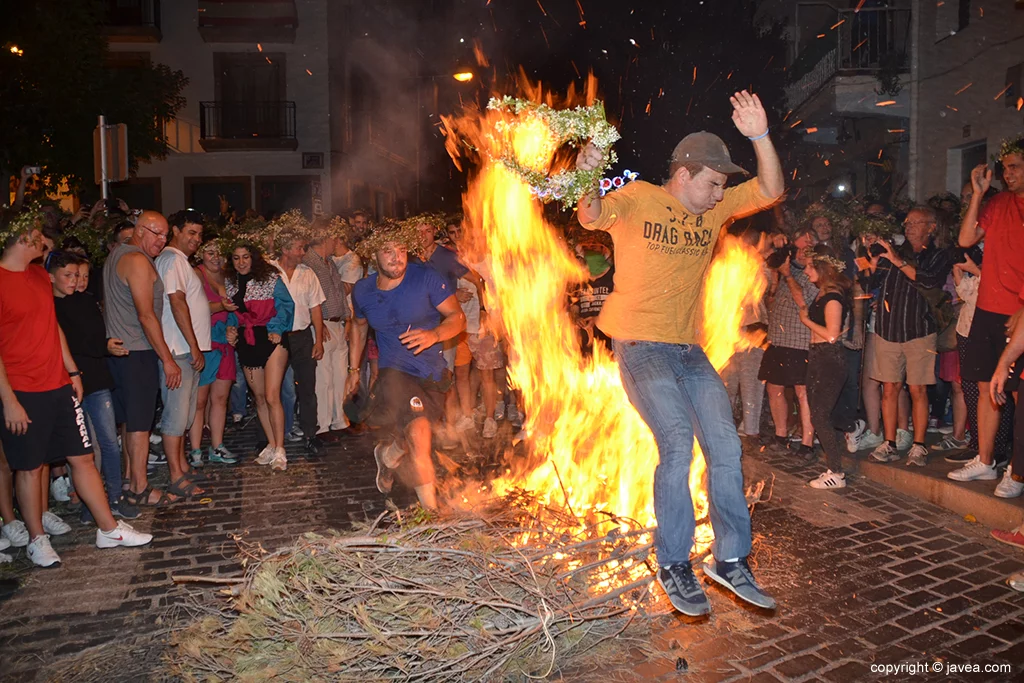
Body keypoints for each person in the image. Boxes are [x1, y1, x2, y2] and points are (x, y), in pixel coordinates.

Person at [575, 90, 783, 615]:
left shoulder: (715, 213)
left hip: (688, 351)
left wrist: (759, 136)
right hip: (640, 347)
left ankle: (732, 561)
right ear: (685, 174)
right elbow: (591, 213)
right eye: (713, 183)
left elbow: (772, 189)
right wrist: (586, 173)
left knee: (726, 444)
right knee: (676, 441)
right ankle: (673, 562)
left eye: (723, 188)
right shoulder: (640, 197)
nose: (719, 196)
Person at [0, 208, 152, 567]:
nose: (42, 238)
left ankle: (108, 528)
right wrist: (8, 401)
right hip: (22, 390)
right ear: (23, 238)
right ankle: (36, 539)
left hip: (58, 384)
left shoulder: (39, 277)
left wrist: (72, 371)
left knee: (83, 456)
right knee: (31, 467)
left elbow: (53, 329)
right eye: (36, 233)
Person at [346, 222, 467, 510]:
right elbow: (359, 328)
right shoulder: (363, 291)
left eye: (401, 250)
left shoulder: (426, 278)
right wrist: (353, 371)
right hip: (394, 373)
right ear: (372, 254)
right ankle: (431, 514)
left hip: (432, 374)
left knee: (411, 433)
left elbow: (457, 318)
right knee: (420, 436)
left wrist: (434, 334)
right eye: (387, 251)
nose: (396, 257)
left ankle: (388, 456)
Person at [49, 251, 140, 520]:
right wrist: (101, 346)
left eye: (79, 275)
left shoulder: (86, 302)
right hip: (68, 382)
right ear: (51, 277)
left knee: (109, 441)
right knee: (83, 448)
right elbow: (71, 343)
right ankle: (91, 501)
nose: (76, 280)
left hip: (97, 379)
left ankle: (114, 496)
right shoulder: (48, 306)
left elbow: (94, 336)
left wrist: (104, 345)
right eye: (70, 275)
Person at [953, 142, 1024, 481]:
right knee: (985, 387)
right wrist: (979, 195)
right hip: (987, 310)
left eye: (1016, 167)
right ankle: (985, 461)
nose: (1009, 174)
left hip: (1019, 315)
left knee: (1016, 390)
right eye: (1006, 168)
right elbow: (966, 239)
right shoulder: (997, 203)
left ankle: (1016, 469)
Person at [104, 211, 182, 508]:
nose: (162, 241)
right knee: (139, 424)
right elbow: (146, 315)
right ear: (139, 230)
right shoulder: (136, 260)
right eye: (156, 233)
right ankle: (139, 488)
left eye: (165, 235)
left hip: (123, 353)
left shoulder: (117, 254)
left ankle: (129, 478)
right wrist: (167, 359)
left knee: (129, 422)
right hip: (137, 353)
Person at [867, 206, 953, 466]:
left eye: (916, 223)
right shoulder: (895, 252)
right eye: (907, 223)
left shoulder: (938, 255)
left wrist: (897, 262)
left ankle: (918, 445)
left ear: (931, 227)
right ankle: (889, 442)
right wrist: (872, 260)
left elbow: (928, 281)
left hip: (919, 331)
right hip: (888, 330)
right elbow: (869, 284)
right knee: (889, 388)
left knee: (917, 389)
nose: (909, 227)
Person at [154, 210, 212, 497]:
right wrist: (192, 345)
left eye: (199, 234)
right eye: (191, 232)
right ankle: (175, 475)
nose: (196, 239)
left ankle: (181, 463)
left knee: (186, 414)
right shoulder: (171, 259)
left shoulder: (180, 261)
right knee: (176, 416)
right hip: (178, 350)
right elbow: (176, 302)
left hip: (185, 350)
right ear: (175, 230)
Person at [784, 250, 852, 488]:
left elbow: (833, 335)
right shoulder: (822, 293)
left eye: (811, 266)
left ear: (823, 269)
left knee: (820, 415)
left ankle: (837, 473)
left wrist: (806, 321)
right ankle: (833, 467)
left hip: (830, 358)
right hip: (817, 357)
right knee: (819, 413)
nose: (806, 270)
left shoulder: (833, 297)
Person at [225, 241, 295, 471]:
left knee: (273, 395)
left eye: (245, 256)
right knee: (260, 397)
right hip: (248, 340)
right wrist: (232, 329)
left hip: (272, 337)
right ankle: (273, 445)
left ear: (253, 257)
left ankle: (281, 449)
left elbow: (287, 305)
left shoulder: (271, 278)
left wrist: (277, 327)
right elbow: (233, 314)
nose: (241, 262)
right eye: (236, 258)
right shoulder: (230, 284)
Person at [759, 226, 819, 457]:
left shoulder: (816, 273)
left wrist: (787, 275)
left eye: (809, 248)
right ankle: (781, 435)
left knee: (802, 392)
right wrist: (776, 246)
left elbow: (803, 300)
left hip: (801, 341)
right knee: (774, 387)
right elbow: (769, 299)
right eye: (800, 247)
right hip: (778, 339)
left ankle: (807, 443)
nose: (803, 253)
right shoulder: (785, 266)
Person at [275, 230, 327, 457]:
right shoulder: (269, 271)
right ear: (285, 249)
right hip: (276, 338)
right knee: (273, 390)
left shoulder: (308, 273)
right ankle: (271, 438)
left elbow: (316, 307)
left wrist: (318, 340)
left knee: (307, 388)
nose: (303, 252)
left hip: (302, 337)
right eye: (299, 248)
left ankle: (309, 435)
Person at [188, 239, 238, 465]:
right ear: (201, 255)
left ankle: (217, 447)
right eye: (210, 253)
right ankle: (196, 449)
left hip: (224, 344)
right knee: (199, 401)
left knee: (220, 398)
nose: (215, 257)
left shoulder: (228, 277)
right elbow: (195, 308)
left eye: (219, 253)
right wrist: (222, 307)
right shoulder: (196, 274)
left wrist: (232, 327)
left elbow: (237, 309)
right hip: (205, 344)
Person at [303, 222, 351, 440]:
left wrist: (347, 319)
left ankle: (339, 420)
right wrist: (317, 326)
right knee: (323, 378)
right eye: (334, 238)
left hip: (337, 323)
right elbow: (306, 299)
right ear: (324, 239)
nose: (337, 243)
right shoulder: (308, 263)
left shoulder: (329, 262)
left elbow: (338, 293)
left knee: (340, 375)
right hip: (322, 325)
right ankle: (322, 425)